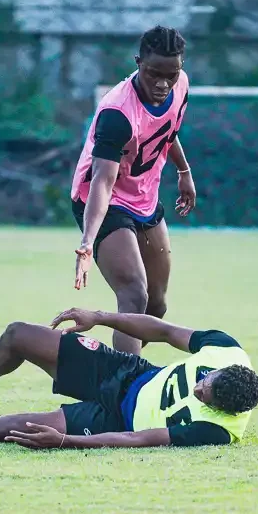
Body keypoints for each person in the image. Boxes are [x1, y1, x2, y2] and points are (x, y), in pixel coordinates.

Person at [0, 308, 258, 449]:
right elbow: (163, 331)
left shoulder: (220, 430)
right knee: (20, 335)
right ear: (222, 368)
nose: (197, 388)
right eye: (203, 380)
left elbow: (139, 440)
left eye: (203, 396)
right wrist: (100, 317)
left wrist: (66, 442)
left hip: (117, 422)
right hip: (128, 375)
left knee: (8, 428)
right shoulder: (225, 350)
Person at [71, 26, 196, 356]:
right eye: (154, 73)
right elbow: (102, 181)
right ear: (138, 62)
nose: (162, 84)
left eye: (171, 74)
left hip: (145, 198)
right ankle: (124, 391)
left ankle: (111, 369)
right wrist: (87, 243)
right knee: (133, 295)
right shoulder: (117, 113)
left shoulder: (180, 85)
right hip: (103, 202)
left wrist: (184, 171)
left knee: (156, 306)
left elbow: (165, 131)